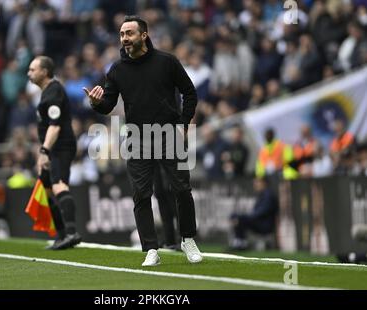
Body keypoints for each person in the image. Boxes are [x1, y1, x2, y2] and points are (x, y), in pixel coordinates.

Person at [83, 15, 202, 266]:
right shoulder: (117, 70)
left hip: (169, 134)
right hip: (136, 138)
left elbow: (189, 93)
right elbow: (108, 105)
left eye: (129, 33)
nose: (124, 38)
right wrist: (96, 103)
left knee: (181, 189)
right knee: (141, 195)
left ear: (144, 35)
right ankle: (150, 249)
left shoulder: (166, 62)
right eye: (122, 34)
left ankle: (188, 239)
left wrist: (182, 124)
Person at [27, 56, 81, 250]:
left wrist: (44, 151)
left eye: (33, 69)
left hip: (60, 146)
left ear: (44, 71)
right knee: (48, 189)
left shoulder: (54, 91)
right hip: (52, 148)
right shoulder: (46, 93)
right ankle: (62, 235)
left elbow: (55, 126)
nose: (29, 73)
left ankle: (72, 232)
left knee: (59, 185)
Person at [229, 177, 279, 250]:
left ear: (263, 183)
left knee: (240, 219)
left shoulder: (268, 195)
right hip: (260, 222)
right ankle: (239, 242)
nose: (255, 185)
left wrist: (248, 217)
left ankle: (240, 243)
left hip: (265, 225)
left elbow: (262, 212)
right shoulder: (263, 194)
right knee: (236, 216)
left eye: (257, 182)